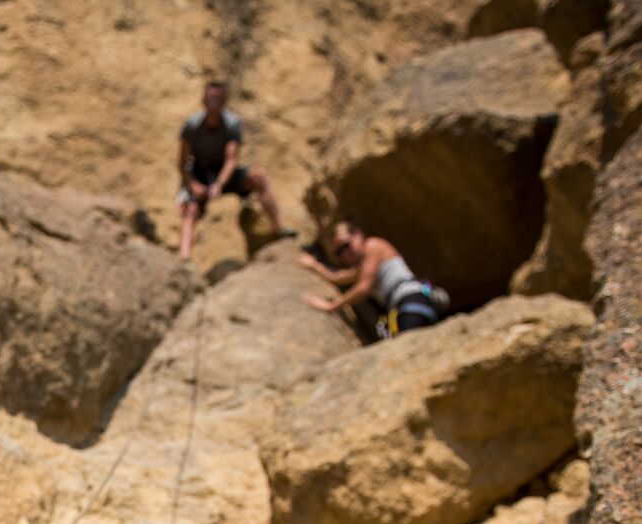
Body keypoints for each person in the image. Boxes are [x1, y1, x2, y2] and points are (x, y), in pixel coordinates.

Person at [176, 81, 292, 260]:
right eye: (209, 99)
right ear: (203, 100)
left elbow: (231, 159)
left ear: (223, 102)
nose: (212, 103)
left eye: (216, 99)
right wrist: (193, 184)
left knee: (258, 176)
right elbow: (183, 162)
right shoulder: (192, 126)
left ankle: (279, 228)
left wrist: (219, 184)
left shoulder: (232, 123)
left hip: (225, 175)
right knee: (191, 209)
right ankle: (184, 258)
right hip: (200, 174)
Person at [299, 220, 445, 336]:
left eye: (346, 245)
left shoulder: (373, 245)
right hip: (407, 305)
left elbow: (363, 287)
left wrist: (331, 305)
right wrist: (315, 265)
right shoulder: (364, 265)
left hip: (411, 300)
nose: (345, 254)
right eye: (338, 253)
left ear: (358, 234)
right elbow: (337, 277)